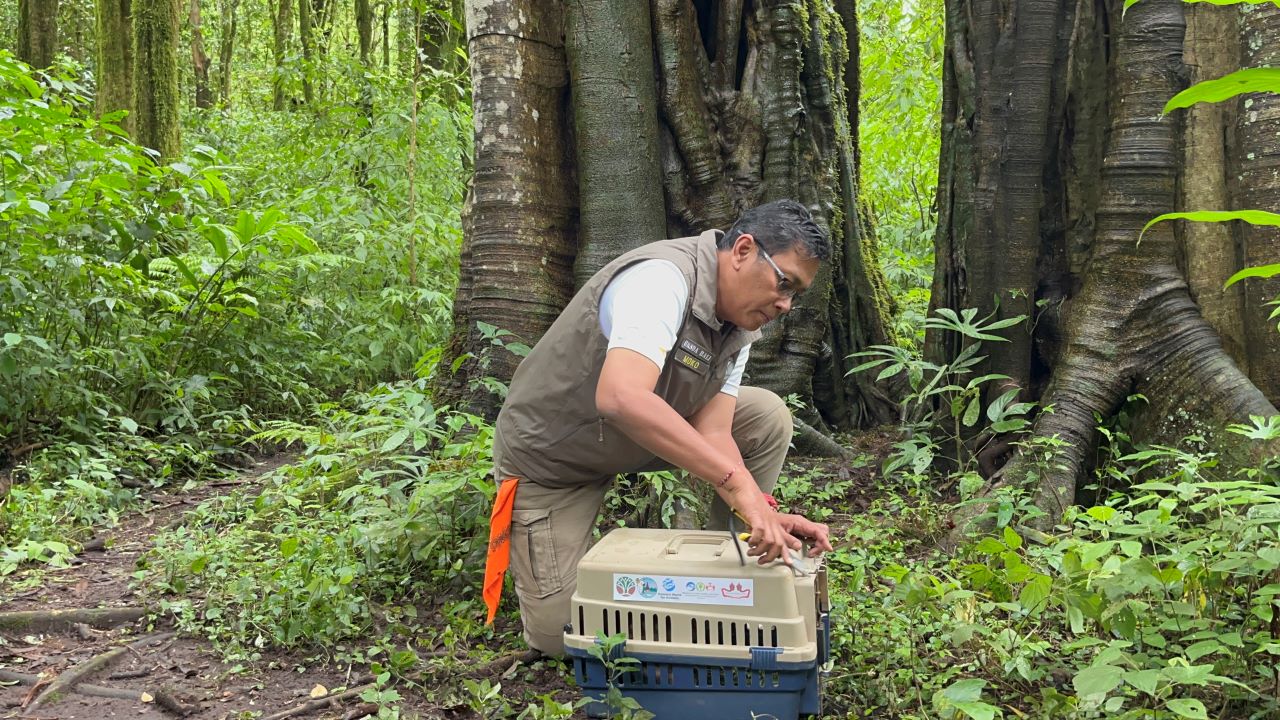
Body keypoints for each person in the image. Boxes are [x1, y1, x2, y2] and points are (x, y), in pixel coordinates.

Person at [481, 199, 836, 656]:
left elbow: (714, 432)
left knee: (765, 415)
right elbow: (621, 397)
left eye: (796, 293)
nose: (786, 304)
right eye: (783, 283)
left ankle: (721, 572)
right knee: (563, 635)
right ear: (744, 250)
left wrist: (759, 511)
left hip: (633, 434)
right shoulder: (662, 281)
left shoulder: (740, 327)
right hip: (555, 459)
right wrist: (737, 483)